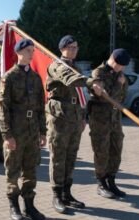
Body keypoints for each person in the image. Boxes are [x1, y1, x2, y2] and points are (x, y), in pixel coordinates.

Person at [0, 39, 46, 220]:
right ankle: (14, 205)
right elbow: (2, 108)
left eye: (32, 50)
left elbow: (40, 107)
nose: (31, 53)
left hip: (32, 132)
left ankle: (29, 206)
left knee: (30, 170)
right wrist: (7, 135)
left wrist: (42, 132)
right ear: (18, 52)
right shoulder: (9, 77)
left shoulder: (35, 77)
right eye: (27, 50)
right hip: (16, 132)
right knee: (13, 170)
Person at [46, 35, 94, 213]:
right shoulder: (57, 65)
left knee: (71, 156)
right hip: (59, 118)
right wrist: (92, 82)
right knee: (58, 157)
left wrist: (83, 117)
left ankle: (67, 193)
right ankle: (57, 195)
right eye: (71, 47)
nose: (75, 50)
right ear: (62, 48)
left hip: (74, 118)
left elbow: (79, 96)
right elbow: (71, 80)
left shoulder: (75, 66)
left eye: (76, 47)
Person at [87, 48, 130, 199]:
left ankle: (111, 181)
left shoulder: (120, 75)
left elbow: (123, 97)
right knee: (101, 151)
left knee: (116, 150)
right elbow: (106, 97)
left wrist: (121, 85)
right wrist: (119, 85)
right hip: (100, 119)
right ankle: (101, 183)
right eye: (121, 65)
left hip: (115, 119)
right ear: (113, 60)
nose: (122, 69)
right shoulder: (98, 74)